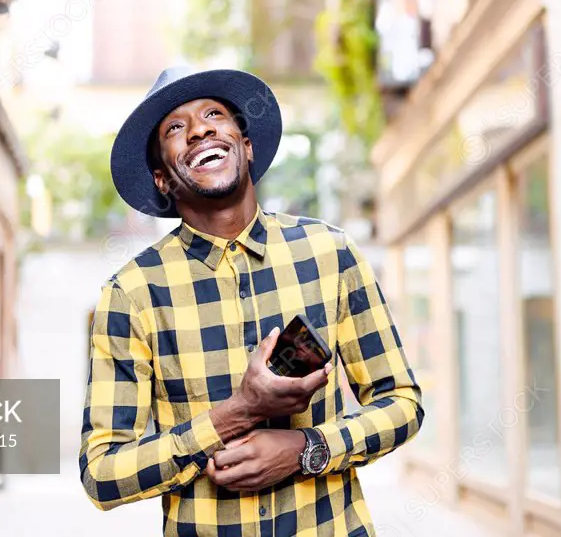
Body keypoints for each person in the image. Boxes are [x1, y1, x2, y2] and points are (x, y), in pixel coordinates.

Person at [80, 67, 424, 537]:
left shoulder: (330, 253)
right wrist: (235, 412)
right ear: (162, 179)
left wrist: (307, 448)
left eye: (214, 115)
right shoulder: (132, 294)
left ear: (246, 147)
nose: (200, 129)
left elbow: (401, 402)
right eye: (176, 129)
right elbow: (102, 474)